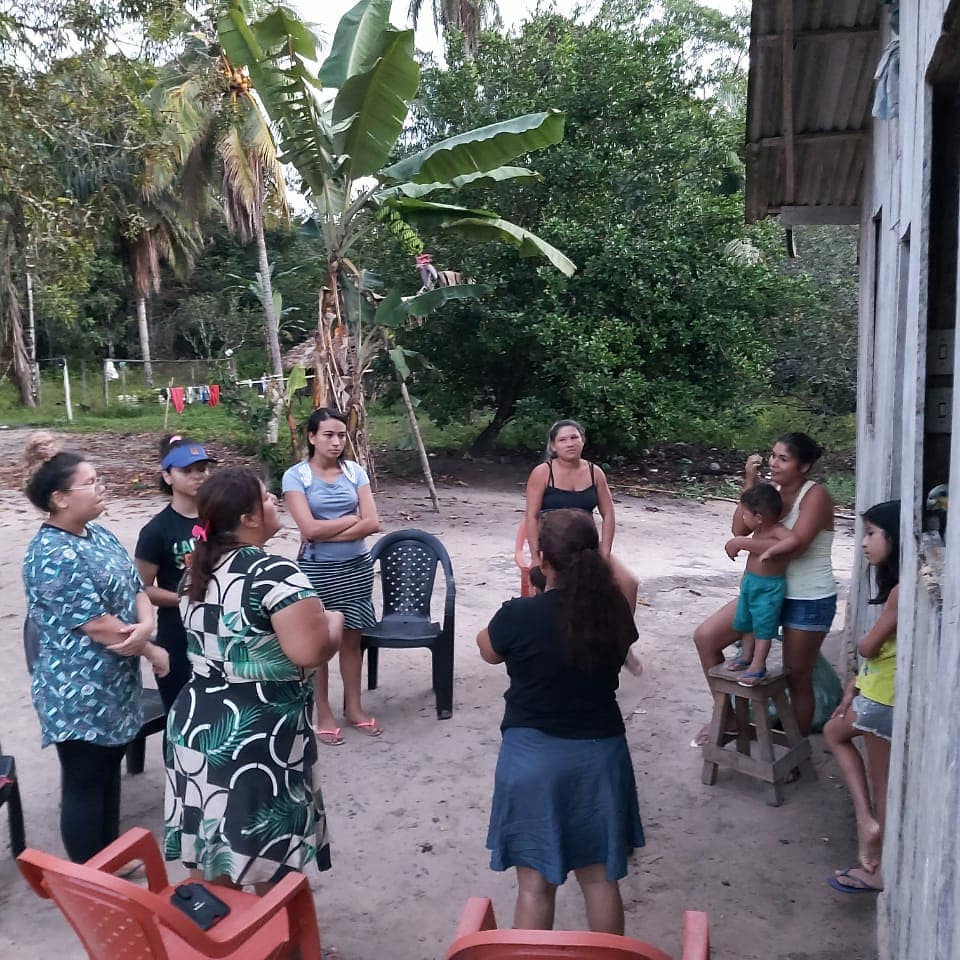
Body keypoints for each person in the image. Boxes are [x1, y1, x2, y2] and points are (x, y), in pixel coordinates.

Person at [164, 467, 340, 889]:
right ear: (247, 518)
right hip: (255, 735)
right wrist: (335, 621)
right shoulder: (274, 574)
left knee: (213, 854)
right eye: (265, 498)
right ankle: (279, 945)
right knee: (271, 859)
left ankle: (219, 941)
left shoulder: (196, 571)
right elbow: (310, 651)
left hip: (195, 726)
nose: (274, 501)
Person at [477, 509, 645, 935]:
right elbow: (629, 583)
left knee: (534, 888)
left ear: (541, 557)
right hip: (600, 757)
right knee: (601, 881)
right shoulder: (614, 616)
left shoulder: (518, 616)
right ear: (593, 556)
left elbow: (487, 649)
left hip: (532, 761)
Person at [21, 432, 168, 863]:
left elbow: (134, 583)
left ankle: (110, 862)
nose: (101, 487)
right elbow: (100, 627)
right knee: (86, 782)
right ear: (61, 499)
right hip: (77, 693)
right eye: (92, 481)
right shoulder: (50, 554)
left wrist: (146, 622)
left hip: (113, 684)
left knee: (107, 775)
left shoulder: (96, 535)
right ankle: (93, 876)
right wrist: (151, 648)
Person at [694, 433, 836, 738]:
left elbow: (794, 548)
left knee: (798, 676)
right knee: (706, 638)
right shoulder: (769, 491)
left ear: (805, 466)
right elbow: (740, 525)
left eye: (783, 458)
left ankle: (794, 750)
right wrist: (751, 481)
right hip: (766, 590)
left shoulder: (816, 496)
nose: (774, 463)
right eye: (772, 455)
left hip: (807, 597)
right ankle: (730, 720)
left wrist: (739, 543)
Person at [282, 407, 383, 746]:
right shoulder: (297, 477)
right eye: (328, 434)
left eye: (341, 435)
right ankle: (322, 711)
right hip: (317, 571)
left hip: (356, 569)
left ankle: (354, 708)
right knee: (321, 644)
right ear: (312, 437)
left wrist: (326, 530)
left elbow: (373, 522)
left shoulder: (355, 472)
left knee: (353, 642)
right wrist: (349, 521)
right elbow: (307, 529)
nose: (336, 441)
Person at [524, 419, 642, 675]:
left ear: (583, 440)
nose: (569, 443)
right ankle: (545, 651)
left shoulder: (594, 472)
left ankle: (620, 643)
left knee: (629, 583)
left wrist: (605, 552)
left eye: (574, 437)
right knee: (552, 593)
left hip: (587, 545)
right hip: (554, 545)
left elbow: (608, 514)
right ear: (553, 446)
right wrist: (536, 556)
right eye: (563, 440)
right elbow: (531, 516)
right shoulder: (543, 472)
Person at [825, 500, 900, 895]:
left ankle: (875, 857)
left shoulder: (900, 594)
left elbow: (871, 647)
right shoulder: (897, 589)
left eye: (872, 534)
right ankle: (865, 819)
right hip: (876, 691)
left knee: (882, 780)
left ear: (895, 538)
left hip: (883, 700)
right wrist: (854, 681)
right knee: (834, 732)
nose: (864, 544)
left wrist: (861, 655)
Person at [135, 435, 217, 712]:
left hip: (220, 627)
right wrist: (184, 598)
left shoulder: (220, 518)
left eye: (203, 468)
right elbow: (142, 588)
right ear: (167, 476)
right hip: (178, 632)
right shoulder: (156, 531)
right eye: (188, 471)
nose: (199, 476)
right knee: (182, 712)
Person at [722, 483, 799, 686]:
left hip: (768, 588)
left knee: (763, 627)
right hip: (750, 583)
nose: (743, 518)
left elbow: (793, 541)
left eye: (745, 514)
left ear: (758, 517)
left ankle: (758, 665)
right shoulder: (758, 530)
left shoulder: (776, 531)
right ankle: (746, 656)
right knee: (746, 622)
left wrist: (772, 551)